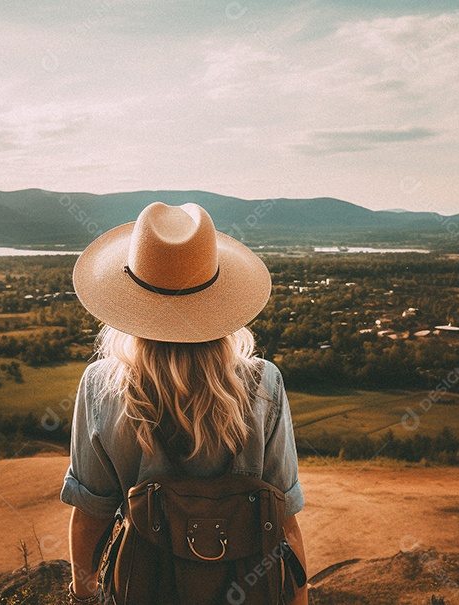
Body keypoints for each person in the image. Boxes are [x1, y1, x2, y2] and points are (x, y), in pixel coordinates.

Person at [60, 201, 308, 604]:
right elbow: (285, 522)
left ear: (132, 294)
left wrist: (82, 597)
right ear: (217, 292)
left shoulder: (100, 386)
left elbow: (91, 518)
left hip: (145, 586)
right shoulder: (265, 382)